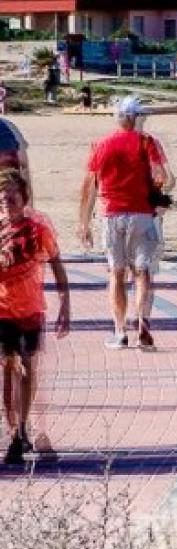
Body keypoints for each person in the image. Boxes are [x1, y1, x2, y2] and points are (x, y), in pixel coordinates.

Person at [79, 96, 171, 349]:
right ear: (134, 117)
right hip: (141, 213)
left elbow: (89, 187)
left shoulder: (101, 144)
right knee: (142, 273)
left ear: (118, 117)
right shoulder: (146, 142)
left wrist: (84, 223)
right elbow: (161, 176)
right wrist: (155, 190)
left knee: (116, 274)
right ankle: (142, 322)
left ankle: (120, 332)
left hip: (111, 213)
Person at [0, 170, 71, 466]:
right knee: (8, 367)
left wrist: (65, 302)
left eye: (12, 197)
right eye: (2, 198)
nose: (7, 203)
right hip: (2, 309)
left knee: (27, 368)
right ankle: (14, 433)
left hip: (31, 310)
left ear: (23, 198)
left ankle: (24, 425)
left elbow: (55, 261)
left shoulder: (37, 228)